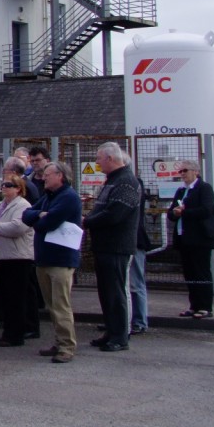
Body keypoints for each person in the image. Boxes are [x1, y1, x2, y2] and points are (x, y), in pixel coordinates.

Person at [22, 161, 82, 363]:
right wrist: (39, 214)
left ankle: (67, 346)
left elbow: (47, 223)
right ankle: (59, 341)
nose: (43, 177)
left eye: (48, 174)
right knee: (52, 305)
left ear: (60, 176)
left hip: (60, 259)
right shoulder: (49, 197)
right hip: (44, 258)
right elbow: (26, 214)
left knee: (61, 305)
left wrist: (39, 218)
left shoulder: (68, 198)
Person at [84, 142, 140, 353]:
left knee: (116, 293)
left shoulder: (126, 182)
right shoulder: (113, 181)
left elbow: (115, 214)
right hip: (104, 246)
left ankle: (119, 336)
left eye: (99, 159)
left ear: (110, 158)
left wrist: (87, 221)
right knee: (106, 292)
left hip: (117, 246)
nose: (97, 163)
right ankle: (111, 331)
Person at [0, 174, 34, 346]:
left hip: (18, 257)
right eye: (3, 185)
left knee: (16, 298)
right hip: (2, 256)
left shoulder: (23, 205)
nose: (4, 188)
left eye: (9, 185)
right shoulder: (0, 205)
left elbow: (18, 227)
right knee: (6, 297)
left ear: (18, 188)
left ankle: (16, 334)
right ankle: (8, 331)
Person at [167, 159, 214, 319]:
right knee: (189, 273)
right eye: (180, 171)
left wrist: (185, 212)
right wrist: (174, 213)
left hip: (200, 238)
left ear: (195, 171)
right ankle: (193, 304)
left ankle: (205, 306)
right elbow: (171, 212)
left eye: (185, 171)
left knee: (201, 272)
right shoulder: (181, 191)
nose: (182, 174)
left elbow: (207, 210)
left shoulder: (204, 188)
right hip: (184, 238)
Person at [129, 175, 151, 335]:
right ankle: (126, 319)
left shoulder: (133, 184)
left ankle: (139, 321)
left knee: (136, 282)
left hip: (135, 240)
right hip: (131, 240)